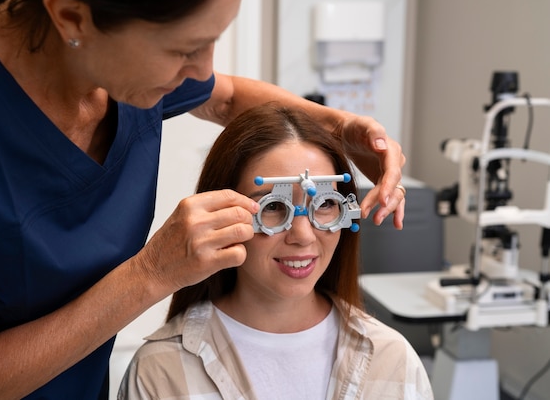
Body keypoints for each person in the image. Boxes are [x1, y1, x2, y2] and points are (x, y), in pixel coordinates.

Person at [0, 0, 407, 398]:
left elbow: (227, 98)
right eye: (184, 50)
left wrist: (338, 128)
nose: (201, 72)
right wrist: (151, 273)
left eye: (213, 40)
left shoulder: (107, 56)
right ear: (72, 17)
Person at [118, 104, 432, 400]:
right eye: (273, 208)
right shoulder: (160, 372)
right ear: (220, 216)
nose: (302, 236)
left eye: (324, 205)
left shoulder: (393, 361)